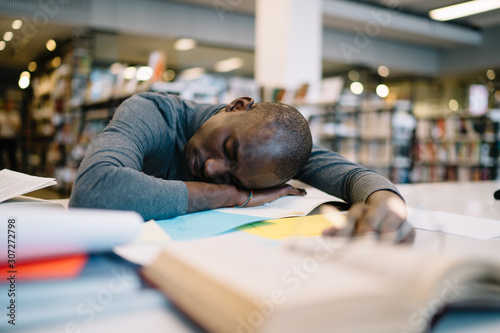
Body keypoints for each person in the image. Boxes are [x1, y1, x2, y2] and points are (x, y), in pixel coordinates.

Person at [69, 92, 412, 242]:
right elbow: (94, 191)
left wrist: (387, 204)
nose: (213, 167)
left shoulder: (271, 151)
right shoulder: (151, 112)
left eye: (231, 176)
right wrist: (230, 195)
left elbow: (353, 177)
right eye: (228, 147)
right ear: (236, 105)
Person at [0, 99, 21, 171]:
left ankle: (13, 172)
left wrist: (10, 121)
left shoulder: (15, 114)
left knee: (12, 157)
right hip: (2, 137)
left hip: (11, 137)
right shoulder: (1, 114)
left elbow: (18, 127)